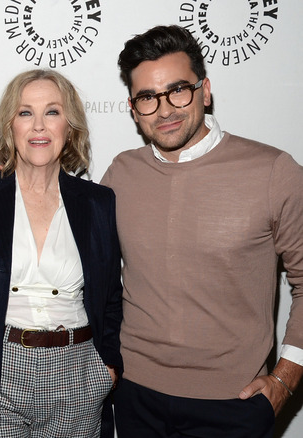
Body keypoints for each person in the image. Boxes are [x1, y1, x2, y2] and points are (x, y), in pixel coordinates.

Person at [100, 25, 303, 437]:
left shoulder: (273, 171)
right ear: (133, 107)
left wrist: (285, 380)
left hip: (236, 402)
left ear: (205, 90)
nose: (165, 109)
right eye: (147, 98)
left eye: (178, 90)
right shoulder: (120, 173)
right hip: (135, 394)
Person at [0, 69, 122, 438]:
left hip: (79, 372)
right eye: (26, 113)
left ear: (69, 127)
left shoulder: (98, 203)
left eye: (52, 112)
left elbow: (110, 297)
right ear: (9, 126)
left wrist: (108, 365)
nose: (39, 126)